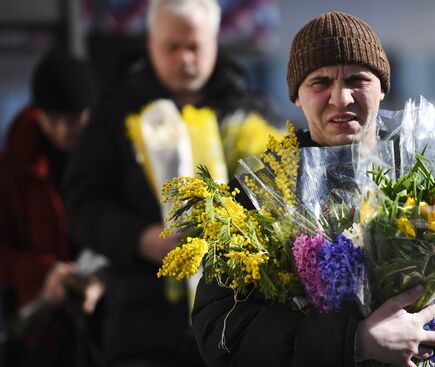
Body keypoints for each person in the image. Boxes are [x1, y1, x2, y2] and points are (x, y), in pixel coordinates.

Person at [192, 12, 435, 367]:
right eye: (320, 82)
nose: (340, 99)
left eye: (357, 79)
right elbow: (222, 331)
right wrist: (355, 341)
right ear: (296, 96)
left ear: (383, 86)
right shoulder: (260, 195)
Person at [63, 0, 277, 366]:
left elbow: (279, 198)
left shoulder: (249, 108)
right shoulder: (115, 113)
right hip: (143, 326)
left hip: (238, 327)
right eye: (171, 47)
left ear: (214, 40)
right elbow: (83, 203)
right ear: (151, 43)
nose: (184, 58)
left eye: (194, 46)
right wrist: (139, 238)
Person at [0, 49, 99, 366]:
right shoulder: (13, 169)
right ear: (37, 112)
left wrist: (102, 280)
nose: (64, 130)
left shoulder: (109, 160)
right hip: (40, 333)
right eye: (53, 119)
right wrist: (44, 272)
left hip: (106, 324)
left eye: (74, 118)